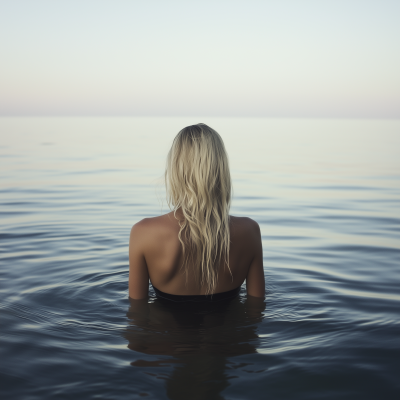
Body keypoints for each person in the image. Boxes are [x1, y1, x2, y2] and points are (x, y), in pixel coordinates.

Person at [128, 123, 265, 301]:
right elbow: (256, 308)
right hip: (228, 329)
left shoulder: (143, 232)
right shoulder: (249, 231)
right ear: (220, 169)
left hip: (165, 329)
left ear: (176, 169)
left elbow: (136, 314)